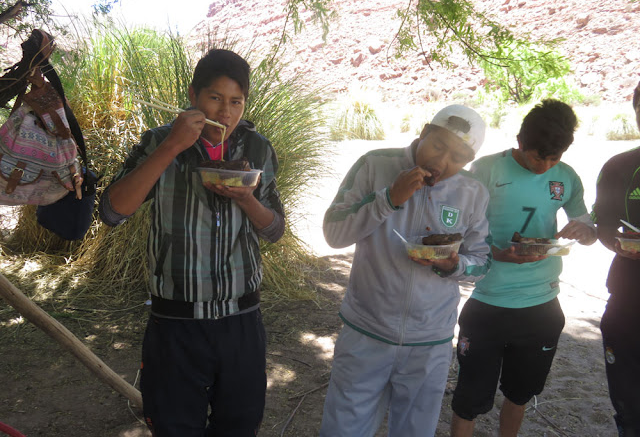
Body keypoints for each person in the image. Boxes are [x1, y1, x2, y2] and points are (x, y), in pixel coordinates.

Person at [98, 49, 285, 436]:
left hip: (241, 321)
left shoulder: (257, 149)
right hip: (175, 323)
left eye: (236, 102)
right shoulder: (159, 141)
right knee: (174, 427)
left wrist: (246, 198)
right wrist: (172, 147)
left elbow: (274, 230)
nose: (225, 113)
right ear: (193, 95)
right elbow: (113, 212)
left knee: (239, 426)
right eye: (215, 98)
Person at [319, 104, 492, 437]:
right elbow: (333, 233)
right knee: (343, 429)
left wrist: (453, 264)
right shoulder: (375, 164)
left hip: (430, 342)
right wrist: (388, 199)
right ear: (424, 131)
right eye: (438, 145)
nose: (441, 163)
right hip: (366, 330)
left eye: (456, 158)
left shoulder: (473, 192)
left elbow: (481, 262)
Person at [450, 99, 597, 437]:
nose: (545, 165)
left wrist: (584, 232)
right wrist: (498, 254)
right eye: (537, 156)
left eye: (554, 158)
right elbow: (459, 234)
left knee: (519, 395)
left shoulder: (567, 177)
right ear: (519, 141)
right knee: (468, 399)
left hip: (542, 306)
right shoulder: (486, 170)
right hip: (488, 303)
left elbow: (587, 229)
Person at [592, 81, 640, 437]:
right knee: (628, 407)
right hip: (627, 303)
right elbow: (606, 226)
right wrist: (620, 244)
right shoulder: (618, 167)